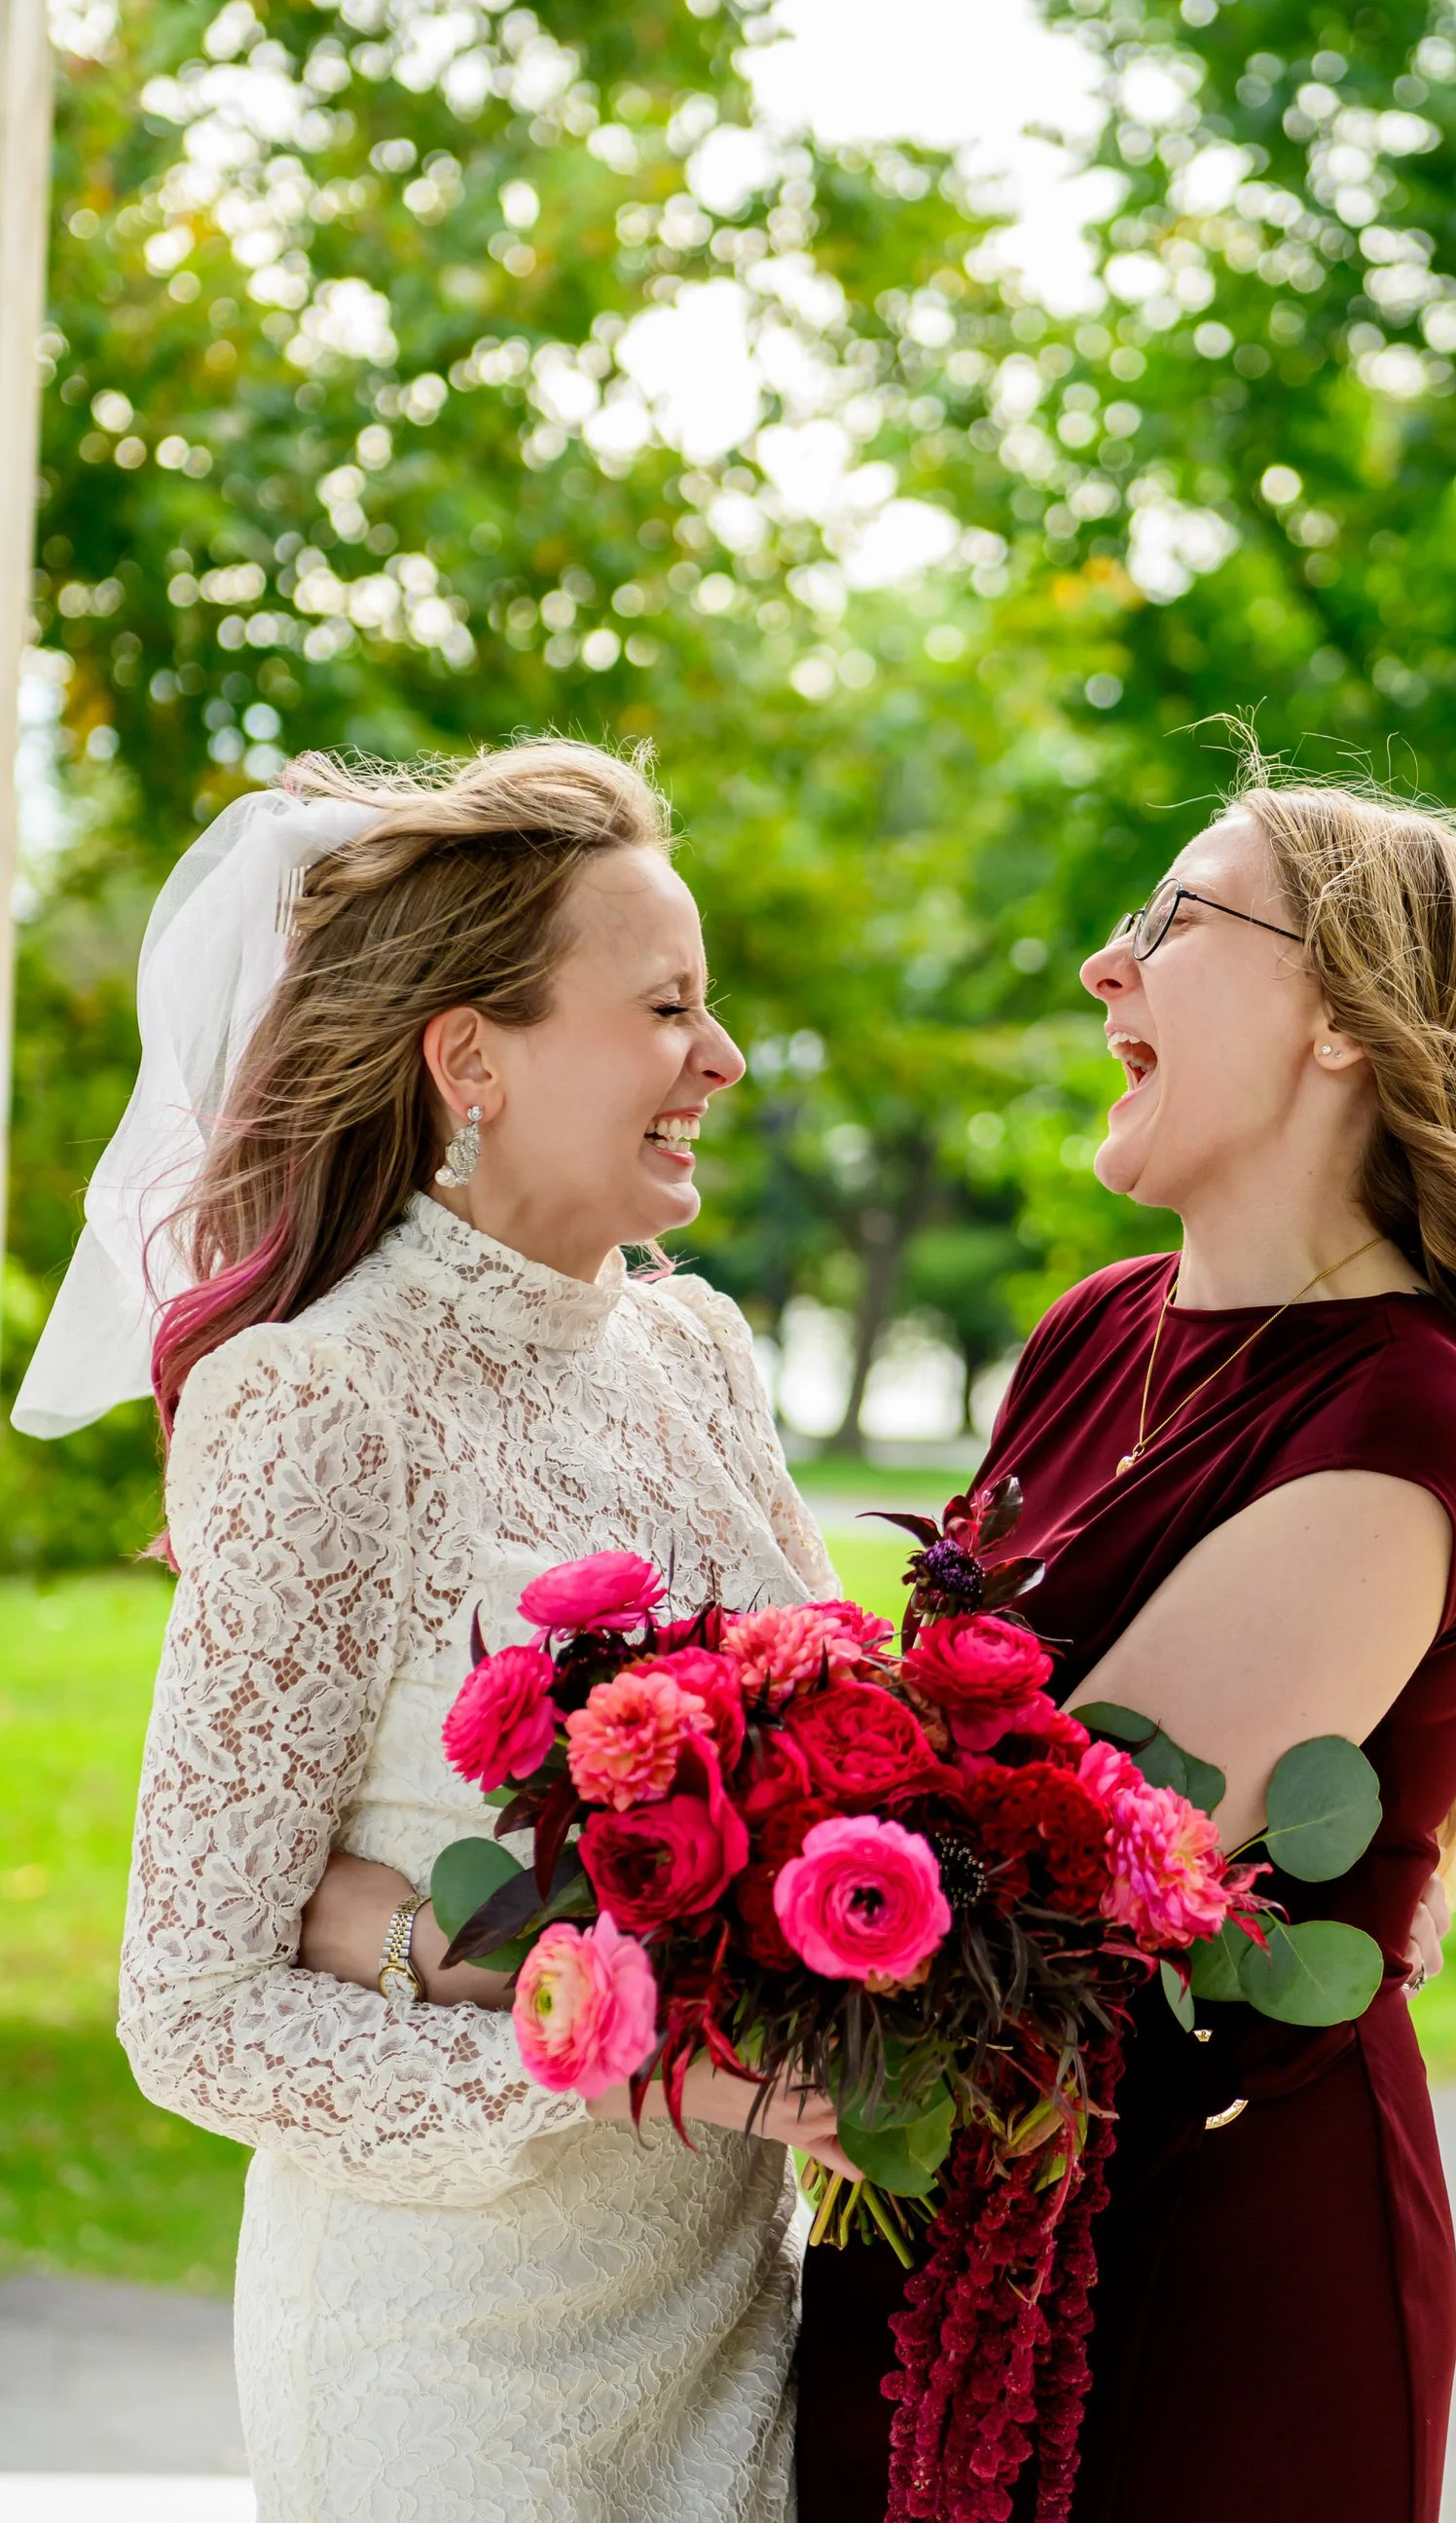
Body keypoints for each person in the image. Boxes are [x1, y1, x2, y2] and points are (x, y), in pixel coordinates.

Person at [16, 742, 853, 2523]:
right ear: (470, 1057)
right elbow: (199, 2011)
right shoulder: (318, 1399)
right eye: (666, 1009)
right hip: (460, 2366)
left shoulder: (696, 1355)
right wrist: (640, 2058)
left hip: (735, 2316)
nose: (721, 1057)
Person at [795, 766, 1456, 2523]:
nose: (1107, 965)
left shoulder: (1418, 1419)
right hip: (950, 2200)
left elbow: (1021, 1874)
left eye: (1172, 920)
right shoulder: (1096, 1327)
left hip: (1201, 2275)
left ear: (1344, 1016)